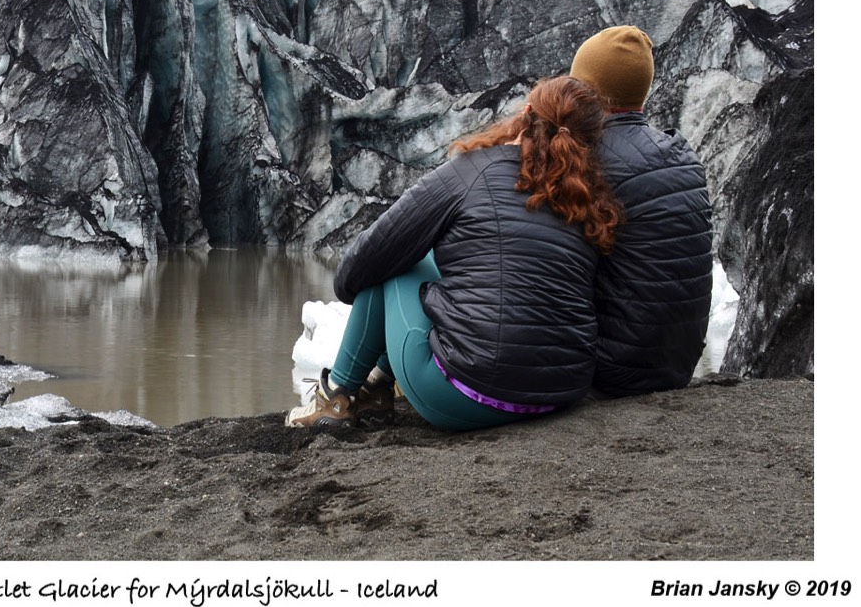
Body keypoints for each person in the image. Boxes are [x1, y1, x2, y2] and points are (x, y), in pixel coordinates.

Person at [286, 75, 622, 431]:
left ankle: (336, 398)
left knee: (392, 257)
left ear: (525, 114)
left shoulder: (473, 171)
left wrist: (360, 296)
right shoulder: (592, 202)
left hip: (464, 396)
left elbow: (367, 258)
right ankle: (374, 392)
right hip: (559, 395)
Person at [568, 25, 713, 397]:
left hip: (613, 368)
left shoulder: (587, 163)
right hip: (677, 364)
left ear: (585, 91)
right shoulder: (683, 155)